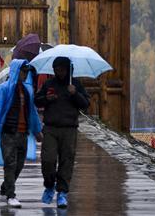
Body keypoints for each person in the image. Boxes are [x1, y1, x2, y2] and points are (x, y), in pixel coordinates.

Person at [0, 60, 42, 208]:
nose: (26, 74)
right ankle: (11, 195)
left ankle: (6, 185)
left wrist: (37, 130)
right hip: (8, 133)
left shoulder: (27, 91)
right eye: (23, 71)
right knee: (10, 163)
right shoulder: (4, 89)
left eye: (27, 72)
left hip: (23, 133)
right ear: (16, 71)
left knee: (19, 165)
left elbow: (31, 112)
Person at [34, 56, 89, 209]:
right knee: (48, 160)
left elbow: (85, 105)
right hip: (51, 128)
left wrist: (75, 94)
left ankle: (62, 193)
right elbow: (37, 100)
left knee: (66, 161)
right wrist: (47, 98)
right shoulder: (48, 84)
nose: (60, 72)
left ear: (68, 69)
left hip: (69, 128)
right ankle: (49, 185)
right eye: (57, 70)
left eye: (62, 69)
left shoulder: (75, 84)